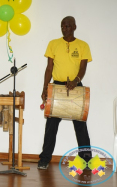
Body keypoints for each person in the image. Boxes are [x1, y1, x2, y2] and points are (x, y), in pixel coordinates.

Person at [38, 16, 92, 169]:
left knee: (80, 125)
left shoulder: (83, 45)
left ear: (74, 26)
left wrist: (76, 80)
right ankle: (44, 159)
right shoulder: (53, 44)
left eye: (68, 25)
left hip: (76, 86)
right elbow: (49, 68)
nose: (64, 28)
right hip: (57, 87)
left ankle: (86, 160)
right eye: (62, 25)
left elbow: (83, 68)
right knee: (51, 125)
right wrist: (44, 88)